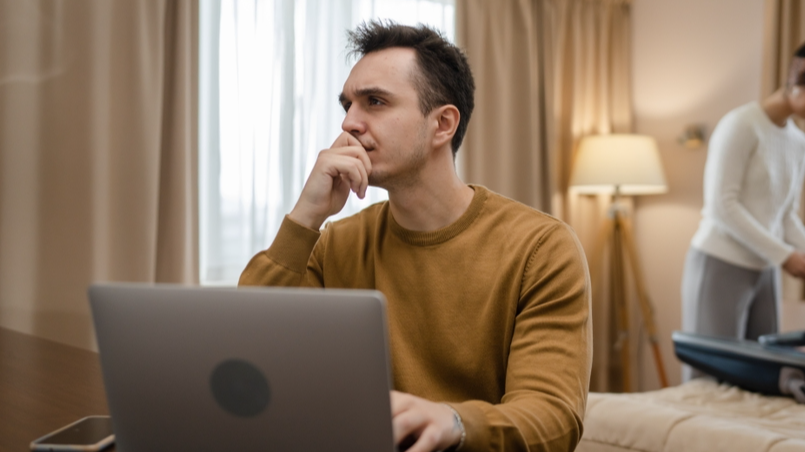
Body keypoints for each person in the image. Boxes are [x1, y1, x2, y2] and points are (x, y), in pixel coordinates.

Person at [239, 21, 592, 452]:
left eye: (375, 102)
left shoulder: (542, 249)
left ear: (442, 124)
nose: (349, 122)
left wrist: (455, 422)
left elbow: (552, 418)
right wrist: (305, 218)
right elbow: (247, 362)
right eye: (347, 105)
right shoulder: (334, 245)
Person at [681, 43, 805, 380]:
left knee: (762, 374)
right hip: (720, 263)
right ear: (795, 84)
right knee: (709, 377)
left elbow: (785, 213)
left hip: (764, 269)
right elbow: (723, 205)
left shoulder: (797, 141)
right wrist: (786, 257)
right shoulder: (740, 125)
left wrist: (798, 253)